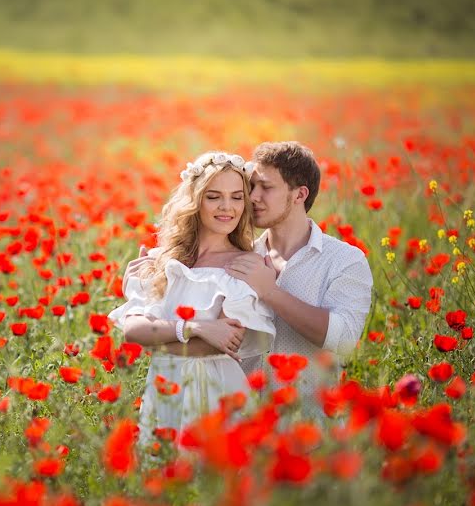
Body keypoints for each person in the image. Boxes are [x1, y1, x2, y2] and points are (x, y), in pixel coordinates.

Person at [124, 142, 373, 421]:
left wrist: (270, 291)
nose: (253, 196)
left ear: (299, 194)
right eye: (251, 187)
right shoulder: (241, 256)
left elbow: (345, 340)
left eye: (265, 187)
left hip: (308, 421)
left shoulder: (343, 260)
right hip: (240, 417)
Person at [108, 151, 276, 445]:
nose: (227, 207)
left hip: (219, 391)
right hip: (165, 389)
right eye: (214, 197)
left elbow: (225, 342)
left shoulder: (247, 264)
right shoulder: (159, 262)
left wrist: (159, 333)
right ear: (196, 200)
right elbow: (133, 332)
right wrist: (196, 327)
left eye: (237, 197)